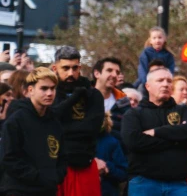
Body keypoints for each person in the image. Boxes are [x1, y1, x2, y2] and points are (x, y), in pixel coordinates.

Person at [121, 64, 187, 195]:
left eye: (169, 81)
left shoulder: (183, 110)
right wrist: (176, 140)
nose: (165, 84)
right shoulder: (134, 114)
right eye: (160, 80)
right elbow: (133, 141)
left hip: (178, 184)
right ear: (148, 86)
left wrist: (156, 132)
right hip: (143, 182)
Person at [0, 67, 66, 195]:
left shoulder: (55, 122)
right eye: (44, 88)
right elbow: (9, 159)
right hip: (19, 190)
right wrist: (38, 177)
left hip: (48, 190)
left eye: (53, 88)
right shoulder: (16, 120)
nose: (49, 93)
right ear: (31, 90)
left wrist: (56, 176)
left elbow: (62, 156)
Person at [50, 46, 105, 196]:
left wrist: (63, 128)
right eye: (65, 68)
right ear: (55, 68)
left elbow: (92, 128)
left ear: (80, 67)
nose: (71, 73)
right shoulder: (49, 93)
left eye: (75, 68)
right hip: (54, 164)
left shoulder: (93, 95)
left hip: (85, 163)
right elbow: (49, 124)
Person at [92, 57, 130, 134]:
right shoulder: (83, 99)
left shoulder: (124, 103)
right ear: (97, 73)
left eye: (117, 72)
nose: (114, 75)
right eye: (109, 70)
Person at [95, 113, 127, 196]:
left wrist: (106, 167)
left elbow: (123, 174)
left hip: (106, 191)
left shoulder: (112, 142)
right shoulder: (77, 142)